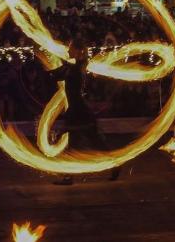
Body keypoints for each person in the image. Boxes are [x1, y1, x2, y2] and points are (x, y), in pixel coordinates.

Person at [47, 39, 120, 185]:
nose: (68, 51)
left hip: (78, 111)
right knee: (86, 142)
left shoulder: (76, 67)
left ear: (77, 51)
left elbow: (57, 75)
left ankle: (114, 165)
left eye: (70, 49)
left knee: (91, 142)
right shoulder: (76, 66)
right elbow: (56, 74)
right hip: (77, 109)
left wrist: (52, 66)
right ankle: (114, 165)